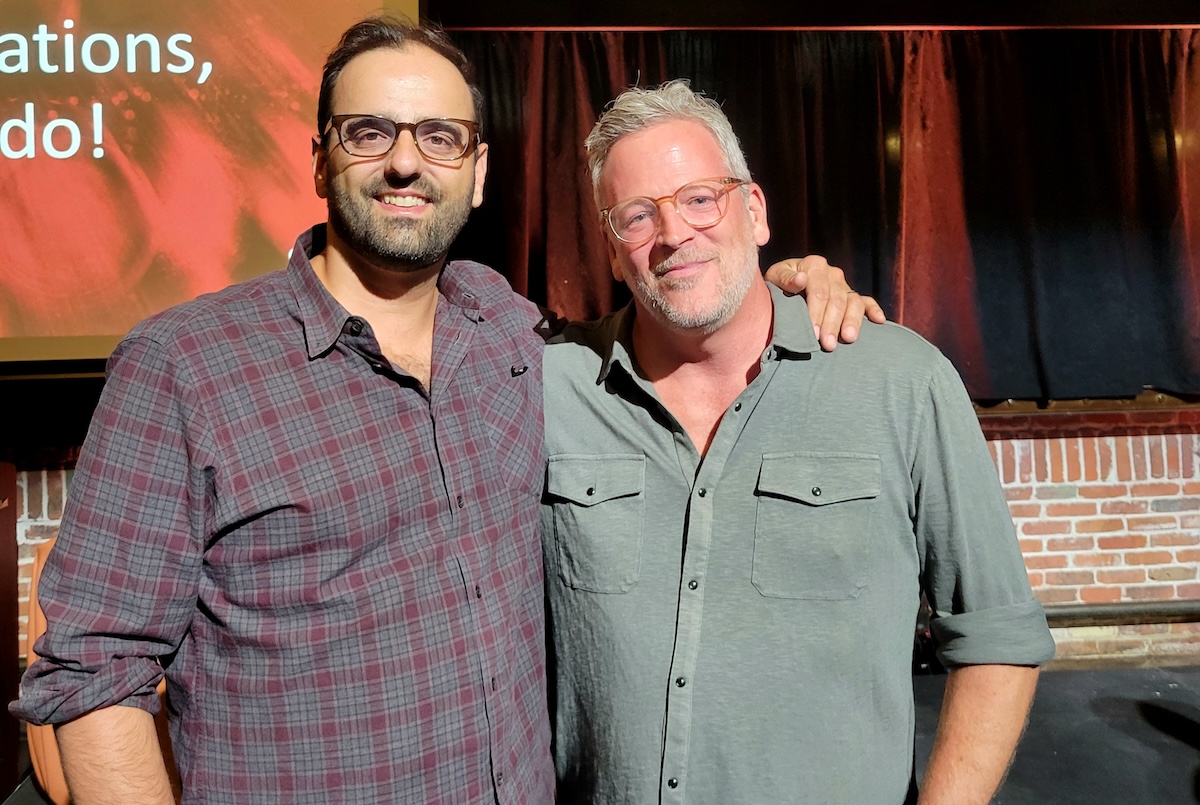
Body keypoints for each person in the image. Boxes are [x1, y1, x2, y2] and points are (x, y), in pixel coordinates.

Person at [11, 18, 878, 805]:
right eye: (369, 131)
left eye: (439, 136)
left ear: (478, 169)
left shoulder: (507, 328)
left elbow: (667, 311)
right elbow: (93, 669)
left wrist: (775, 287)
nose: (405, 161)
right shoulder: (184, 366)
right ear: (320, 159)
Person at [541, 80, 1056, 805]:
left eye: (699, 198)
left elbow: (998, 636)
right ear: (612, 246)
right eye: (636, 214)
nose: (673, 233)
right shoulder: (547, 389)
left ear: (753, 210)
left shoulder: (899, 382)